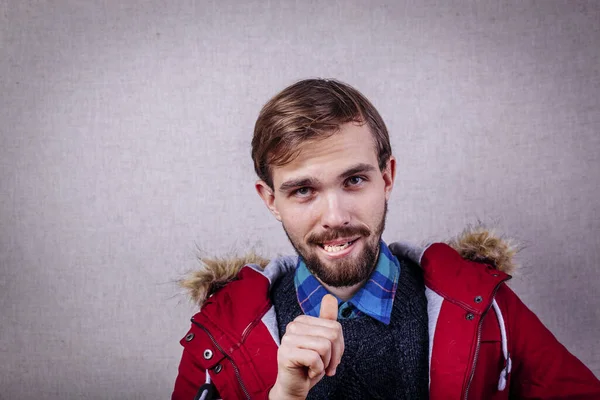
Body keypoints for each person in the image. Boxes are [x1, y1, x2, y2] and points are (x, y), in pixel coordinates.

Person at [171, 79, 600, 399]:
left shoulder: (485, 305)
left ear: (387, 178)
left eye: (354, 180)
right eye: (303, 190)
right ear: (271, 200)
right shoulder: (220, 335)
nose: (335, 217)